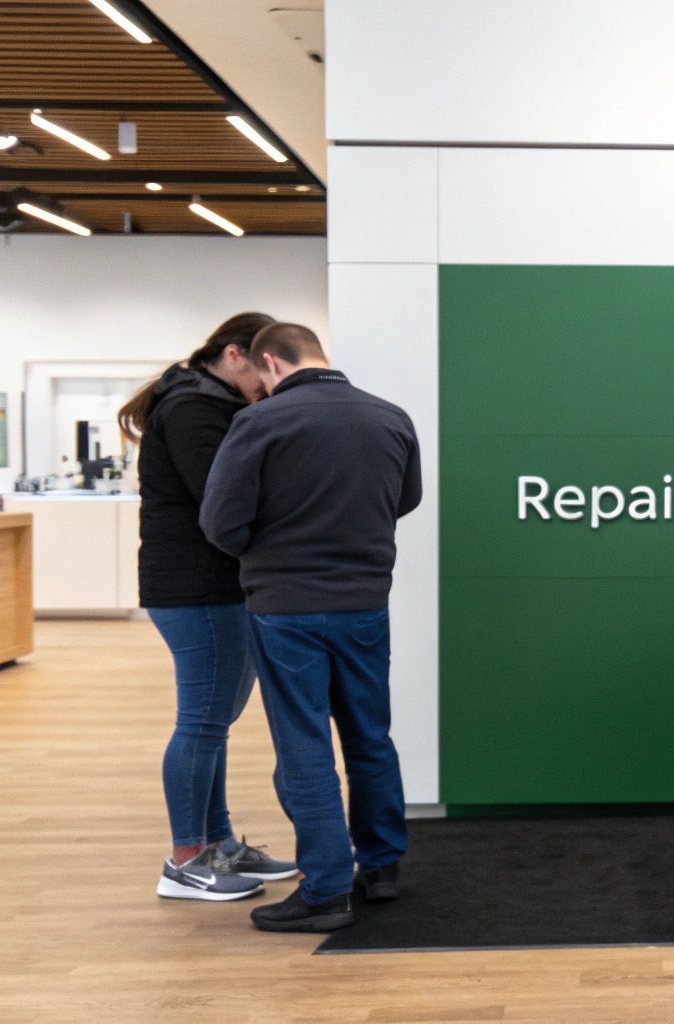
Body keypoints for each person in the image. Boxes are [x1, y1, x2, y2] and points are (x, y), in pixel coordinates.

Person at [199, 322, 422, 933]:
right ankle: (381, 867)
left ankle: (325, 890)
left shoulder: (259, 423)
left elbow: (220, 522)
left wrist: (270, 542)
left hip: (285, 605)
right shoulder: (390, 417)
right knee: (370, 736)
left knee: (304, 745)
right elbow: (407, 499)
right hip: (364, 602)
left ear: (270, 361)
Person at [118, 312, 297, 902]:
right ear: (233, 354)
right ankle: (186, 859)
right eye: (262, 371)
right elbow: (223, 498)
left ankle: (216, 844)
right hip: (197, 587)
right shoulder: (195, 408)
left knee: (212, 722)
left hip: (210, 586)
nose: (267, 386)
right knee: (201, 721)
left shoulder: (208, 403)